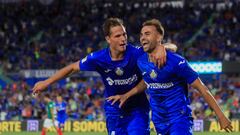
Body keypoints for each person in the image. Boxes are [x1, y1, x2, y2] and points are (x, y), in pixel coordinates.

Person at [32, 17, 177, 135]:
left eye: (124, 35)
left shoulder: (136, 53)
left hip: (137, 109)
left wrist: (162, 48)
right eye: (118, 36)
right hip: (114, 111)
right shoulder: (98, 58)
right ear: (108, 39)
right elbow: (72, 68)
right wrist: (47, 82)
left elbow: (173, 47)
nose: (123, 39)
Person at [107, 19, 233, 134]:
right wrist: (126, 95)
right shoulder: (141, 61)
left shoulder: (176, 62)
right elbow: (147, 81)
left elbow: (202, 88)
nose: (142, 37)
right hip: (159, 121)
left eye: (147, 34)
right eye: (141, 34)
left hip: (179, 118)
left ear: (159, 37)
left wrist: (220, 115)